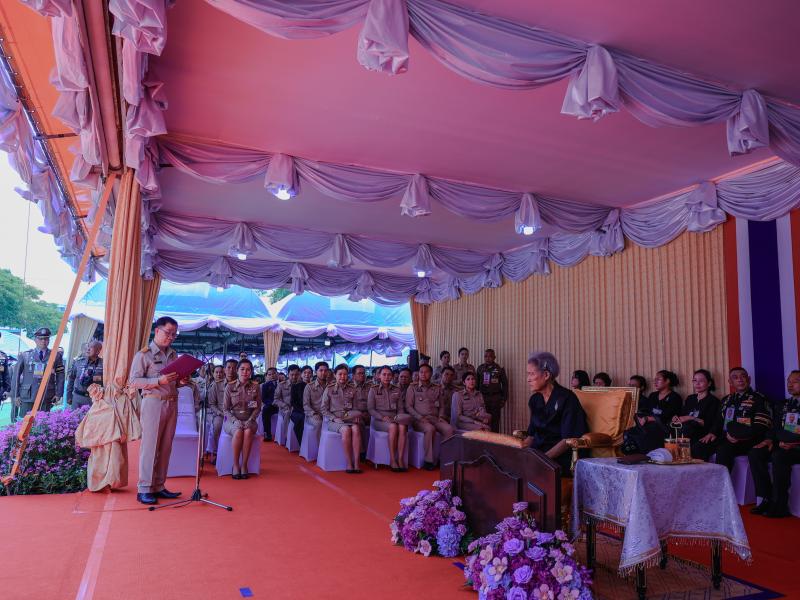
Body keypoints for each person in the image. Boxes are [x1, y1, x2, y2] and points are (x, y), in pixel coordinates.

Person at [129, 316, 184, 505]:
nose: (171, 337)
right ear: (157, 330)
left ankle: (159, 486)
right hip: (153, 403)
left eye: (174, 334)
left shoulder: (173, 354)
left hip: (172, 403)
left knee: (166, 447)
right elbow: (133, 381)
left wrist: (182, 380)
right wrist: (157, 381)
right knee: (150, 447)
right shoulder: (143, 355)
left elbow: (174, 380)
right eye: (168, 333)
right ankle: (144, 488)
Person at [522, 351, 589, 474]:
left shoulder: (567, 398)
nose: (528, 379)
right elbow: (531, 435)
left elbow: (567, 440)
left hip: (561, 456)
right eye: (528, 374)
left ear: (546, 375)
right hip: (539, 453)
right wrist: (519, 453)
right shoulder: (535, 400)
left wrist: (542, 460)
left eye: (532, 374)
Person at [749, 370, 800, 518]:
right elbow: (775, 427)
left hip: (796, 447)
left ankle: (779, 505)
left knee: (779, 456)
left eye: (795, 381)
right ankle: (765, 498)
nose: (790, 384)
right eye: (789, 381)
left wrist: (795, 444)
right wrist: (769, 439)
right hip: (783, 443)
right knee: (756, 453)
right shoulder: (783, 404)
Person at [704, 367, 771, 472]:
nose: (740, 380)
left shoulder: (759, 398)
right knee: (700, 446)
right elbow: (718, 421)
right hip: (727, 437)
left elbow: (761, 426)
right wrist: (712, 432)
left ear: (749, 379)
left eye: (743, 376)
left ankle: (724, 482)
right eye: (735, 377)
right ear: (730, 382)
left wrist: (739, 436)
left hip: (749, 440)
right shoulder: (726, 400)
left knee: (723, 450)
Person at [406, 363, 454, 470]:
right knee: (430, 429)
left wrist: (441, 416)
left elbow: (442, 406)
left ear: (431, 374)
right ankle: (429, 460)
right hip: (419, 420)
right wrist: (419, 417)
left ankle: (443, 459)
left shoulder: (437, 388)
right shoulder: (412, 387)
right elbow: (408, 406)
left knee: (449, 429)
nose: (423, 374)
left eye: (426, 372)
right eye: (421, 372)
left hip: (435, 418)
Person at [12, 327, 65, 417]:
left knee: (43, 422)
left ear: (49, 340)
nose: (43, 341)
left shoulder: (56, 356)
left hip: (47, 395)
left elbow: (60, 375)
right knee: (25, 421)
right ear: (35, 340)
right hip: (28, 395)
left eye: (46, 339)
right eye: (40, 339)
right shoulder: (25, 355)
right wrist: (15, 395)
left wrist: (59, 394)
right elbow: (16, 376)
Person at [223, 359, 261, 479]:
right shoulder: (230, 386)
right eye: (242, 369)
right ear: (237, 370)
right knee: (238, 431)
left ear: (251, 372)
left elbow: (257, 407)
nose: (245, 372)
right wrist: (235, 420)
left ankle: (244, 465)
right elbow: (225, 409)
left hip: (250, 419)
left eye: (248, 369)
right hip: (232, 420)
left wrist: (251, 419)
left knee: (248, 431)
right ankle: (235, 465)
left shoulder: (255, 387)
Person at [368, 365, 411, 471]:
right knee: (393, 427)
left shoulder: (397, 389)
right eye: (384, 374)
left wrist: (399, 417)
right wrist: (382, 417)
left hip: (395, 418)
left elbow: (400, 408)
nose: (387, 377)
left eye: (389, 375)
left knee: (402, 427)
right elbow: (371, 409)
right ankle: (392, 459)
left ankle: (400, 459)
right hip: (379, 420)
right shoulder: (373, 390)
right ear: (379, 376)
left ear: (392, 376)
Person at [322, 364, 363, 473]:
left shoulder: (353, 389)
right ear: (335, 375)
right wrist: (334, 418)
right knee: (346, 430)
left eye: (345, 374)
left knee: (356, 429)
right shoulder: (329, 389)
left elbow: (356, 408)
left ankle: (356, 462)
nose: (342, 377)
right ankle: (349, 463)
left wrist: (356, 416)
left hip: (349, 418)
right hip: (335, 420)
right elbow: (324, 409)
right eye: (340, 374)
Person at [672, 369, 720, 460]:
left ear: (709, 383)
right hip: (685, 433)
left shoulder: (713, 401)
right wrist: (676, 418)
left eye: (701, 381)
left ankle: (683, 457)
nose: (697, 383)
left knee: (687, 429)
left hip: (701, 433)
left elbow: (709, 424)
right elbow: (682, 416)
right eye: (694, 380)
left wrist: (690, 418)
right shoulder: (690, 398)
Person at [477, 349, 508, 433]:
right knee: (483, 420)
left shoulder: (499, 369)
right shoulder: (480, 368)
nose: (487, 358)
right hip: (483, 398)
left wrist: (504, 399)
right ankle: (484, 439)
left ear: (494, 357)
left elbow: (505, 385)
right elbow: (476, 385)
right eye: (485, 356)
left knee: (495, 421)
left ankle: (494, 439)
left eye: (490, 356)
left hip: (495, 398)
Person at [67, 340, 103, 411]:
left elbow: (106, 380)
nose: (88, 349)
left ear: (98, 351)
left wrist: (93, 378)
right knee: (74, 417)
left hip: (93, 400)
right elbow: (71, 379)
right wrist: (69, 396)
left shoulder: (103, 364)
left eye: (91, 347)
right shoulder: (78, 362)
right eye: (88, 346)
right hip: (77, 397)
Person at [302, 361, 329, 448]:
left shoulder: (331, 385)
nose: (323, 373)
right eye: (321, 370)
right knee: (319, 423)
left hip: (328, 414)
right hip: (313, 414)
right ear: (316, 372)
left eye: (325, 371)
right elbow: (306, 405)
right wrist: (313, 413)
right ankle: (320, 449)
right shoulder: (309, 386)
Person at [205, 364, 227, 461]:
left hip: (232, 413)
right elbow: (212, 404)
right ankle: (215, 452)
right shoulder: (214, 385)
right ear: (213, 374)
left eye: (221, 372)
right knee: (217, 426)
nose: (219, 374)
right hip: (219, 413)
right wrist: (220, 413)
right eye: (216, 372)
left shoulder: (230, 383)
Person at [352, 364, 370, 458]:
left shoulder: (371, 386)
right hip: (357, 414)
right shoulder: (349, 387)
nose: (362, 375)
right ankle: (362, 452)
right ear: (353, 376)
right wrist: (359, 414)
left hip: (370, 413)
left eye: (363, 373)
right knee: (359, 423)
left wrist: (370, 413)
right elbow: (348, 405)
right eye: (359, 373)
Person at [261, 367, 279, 441]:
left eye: (274, 373)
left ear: (277, 374)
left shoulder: (283, 383)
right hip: (272, 406)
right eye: (270, 374)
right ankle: (267, 434)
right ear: (267, 376)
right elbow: (264, 398)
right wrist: (272, 403)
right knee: (265, 410)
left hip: (283, 406)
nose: (272, 376)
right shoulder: (265, 385)